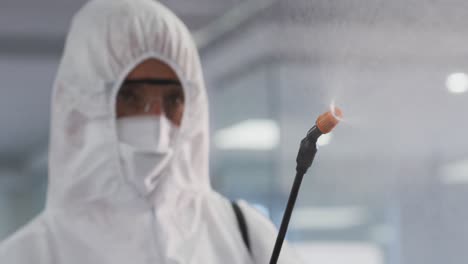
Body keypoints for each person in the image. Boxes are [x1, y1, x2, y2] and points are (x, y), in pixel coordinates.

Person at [0, 0, 301, 263]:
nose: (156, 120)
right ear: (82, 107)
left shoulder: (244, 234)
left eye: (173, 99)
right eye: (132, 97)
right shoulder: (29, 255)